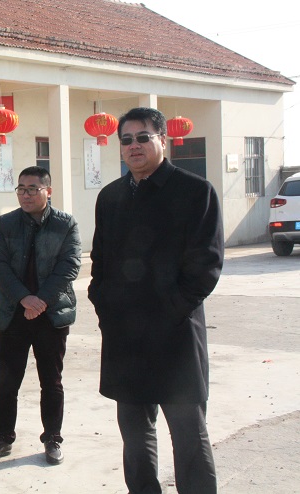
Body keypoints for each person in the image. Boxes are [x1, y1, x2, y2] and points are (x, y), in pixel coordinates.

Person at [88, 107, 224, 493]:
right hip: (125, 338)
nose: (134, 146)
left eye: (143, 137)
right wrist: (106, 309)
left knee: (188, 435)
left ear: (163, 140)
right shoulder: (111, 197)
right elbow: (100, 263)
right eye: (126, 140)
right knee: (134, 435)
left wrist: (169, 312)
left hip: (174, 336)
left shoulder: (195, 192)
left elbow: (206, 266)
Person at [0, 166, 81, 465]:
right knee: (6, 380)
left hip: (51, 315)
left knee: (51, 380)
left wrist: (41, 301)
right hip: (14, 312)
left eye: (32, 189)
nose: (25, 195)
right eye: (21, 189)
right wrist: (24, 298)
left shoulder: (65, 224)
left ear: (48, 191)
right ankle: (2, 438)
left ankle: (52, 438)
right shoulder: (6, 223)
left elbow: (70, 265)